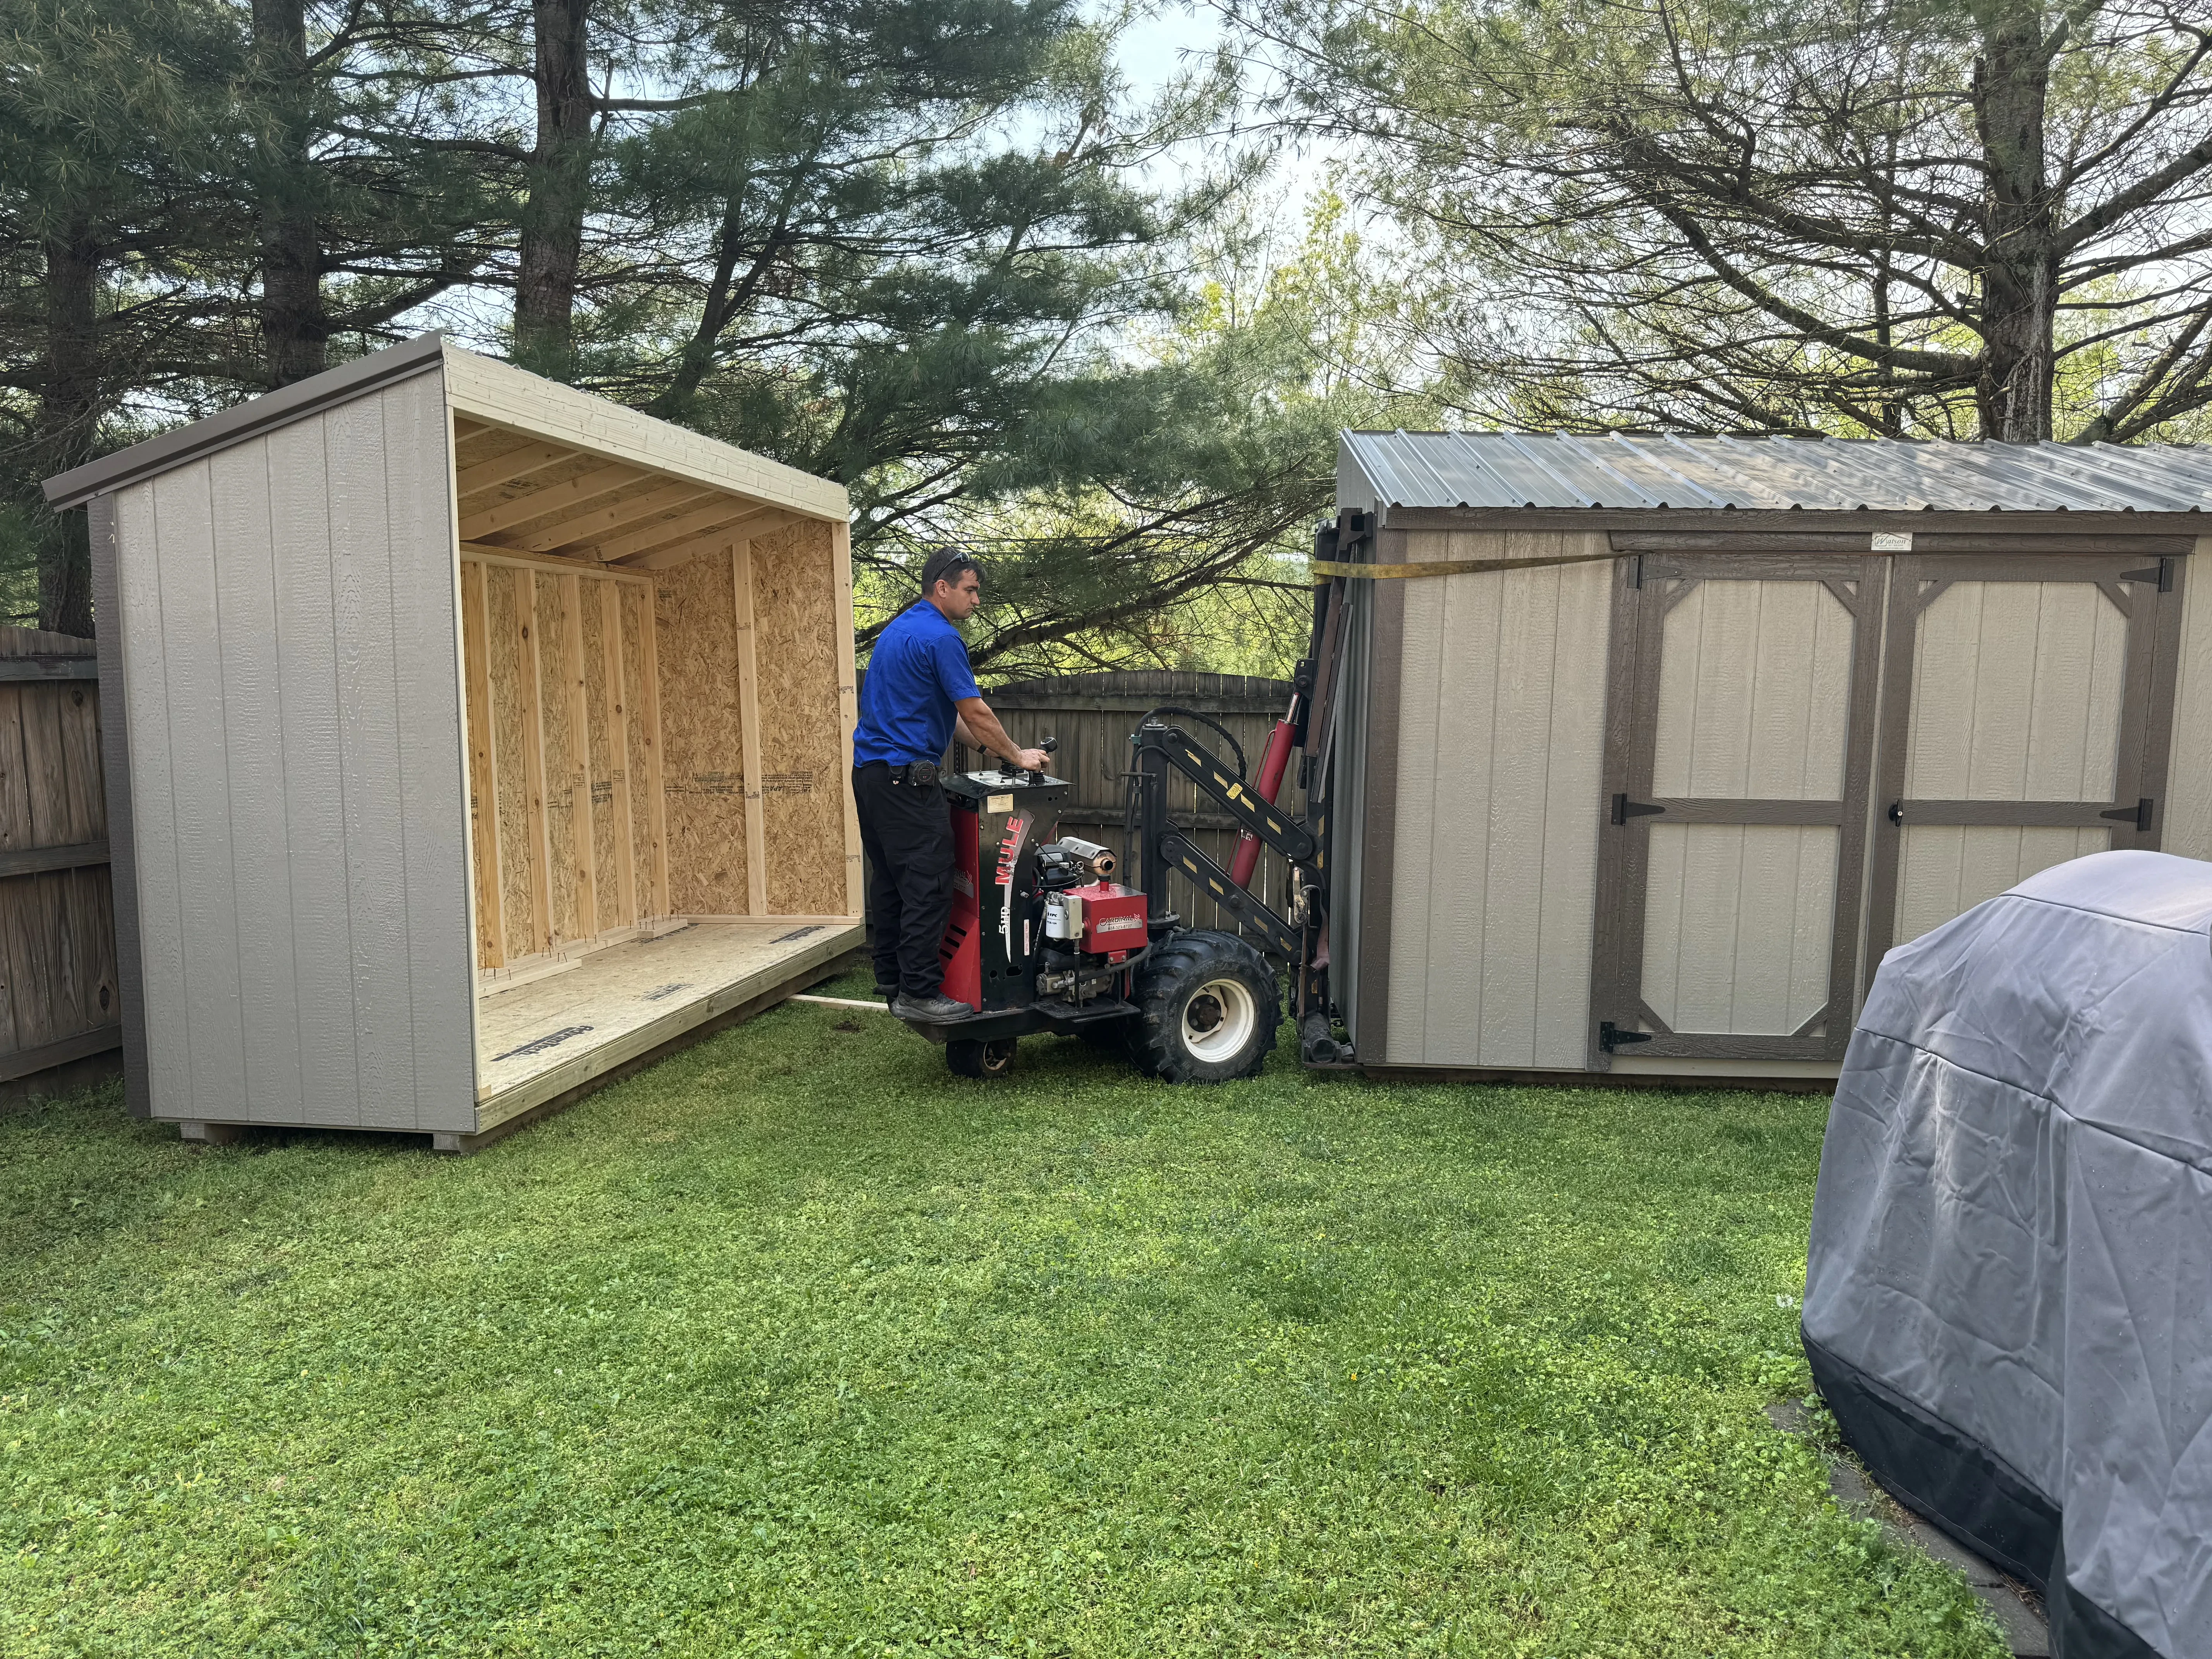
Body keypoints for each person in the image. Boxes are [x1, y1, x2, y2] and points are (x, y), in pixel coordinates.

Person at [853, 548, 1048, 1020]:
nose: (977, 600)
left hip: (872, 778)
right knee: (930, 883)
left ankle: (893, 980)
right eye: (971, 589)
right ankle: (921, 992)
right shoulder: (942, 638)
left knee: (893, 882)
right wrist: (1018, 756)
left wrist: (991, 750)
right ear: (943, 588)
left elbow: (950, 718)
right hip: (907, 783)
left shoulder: (899, 631)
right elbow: (976, 710)